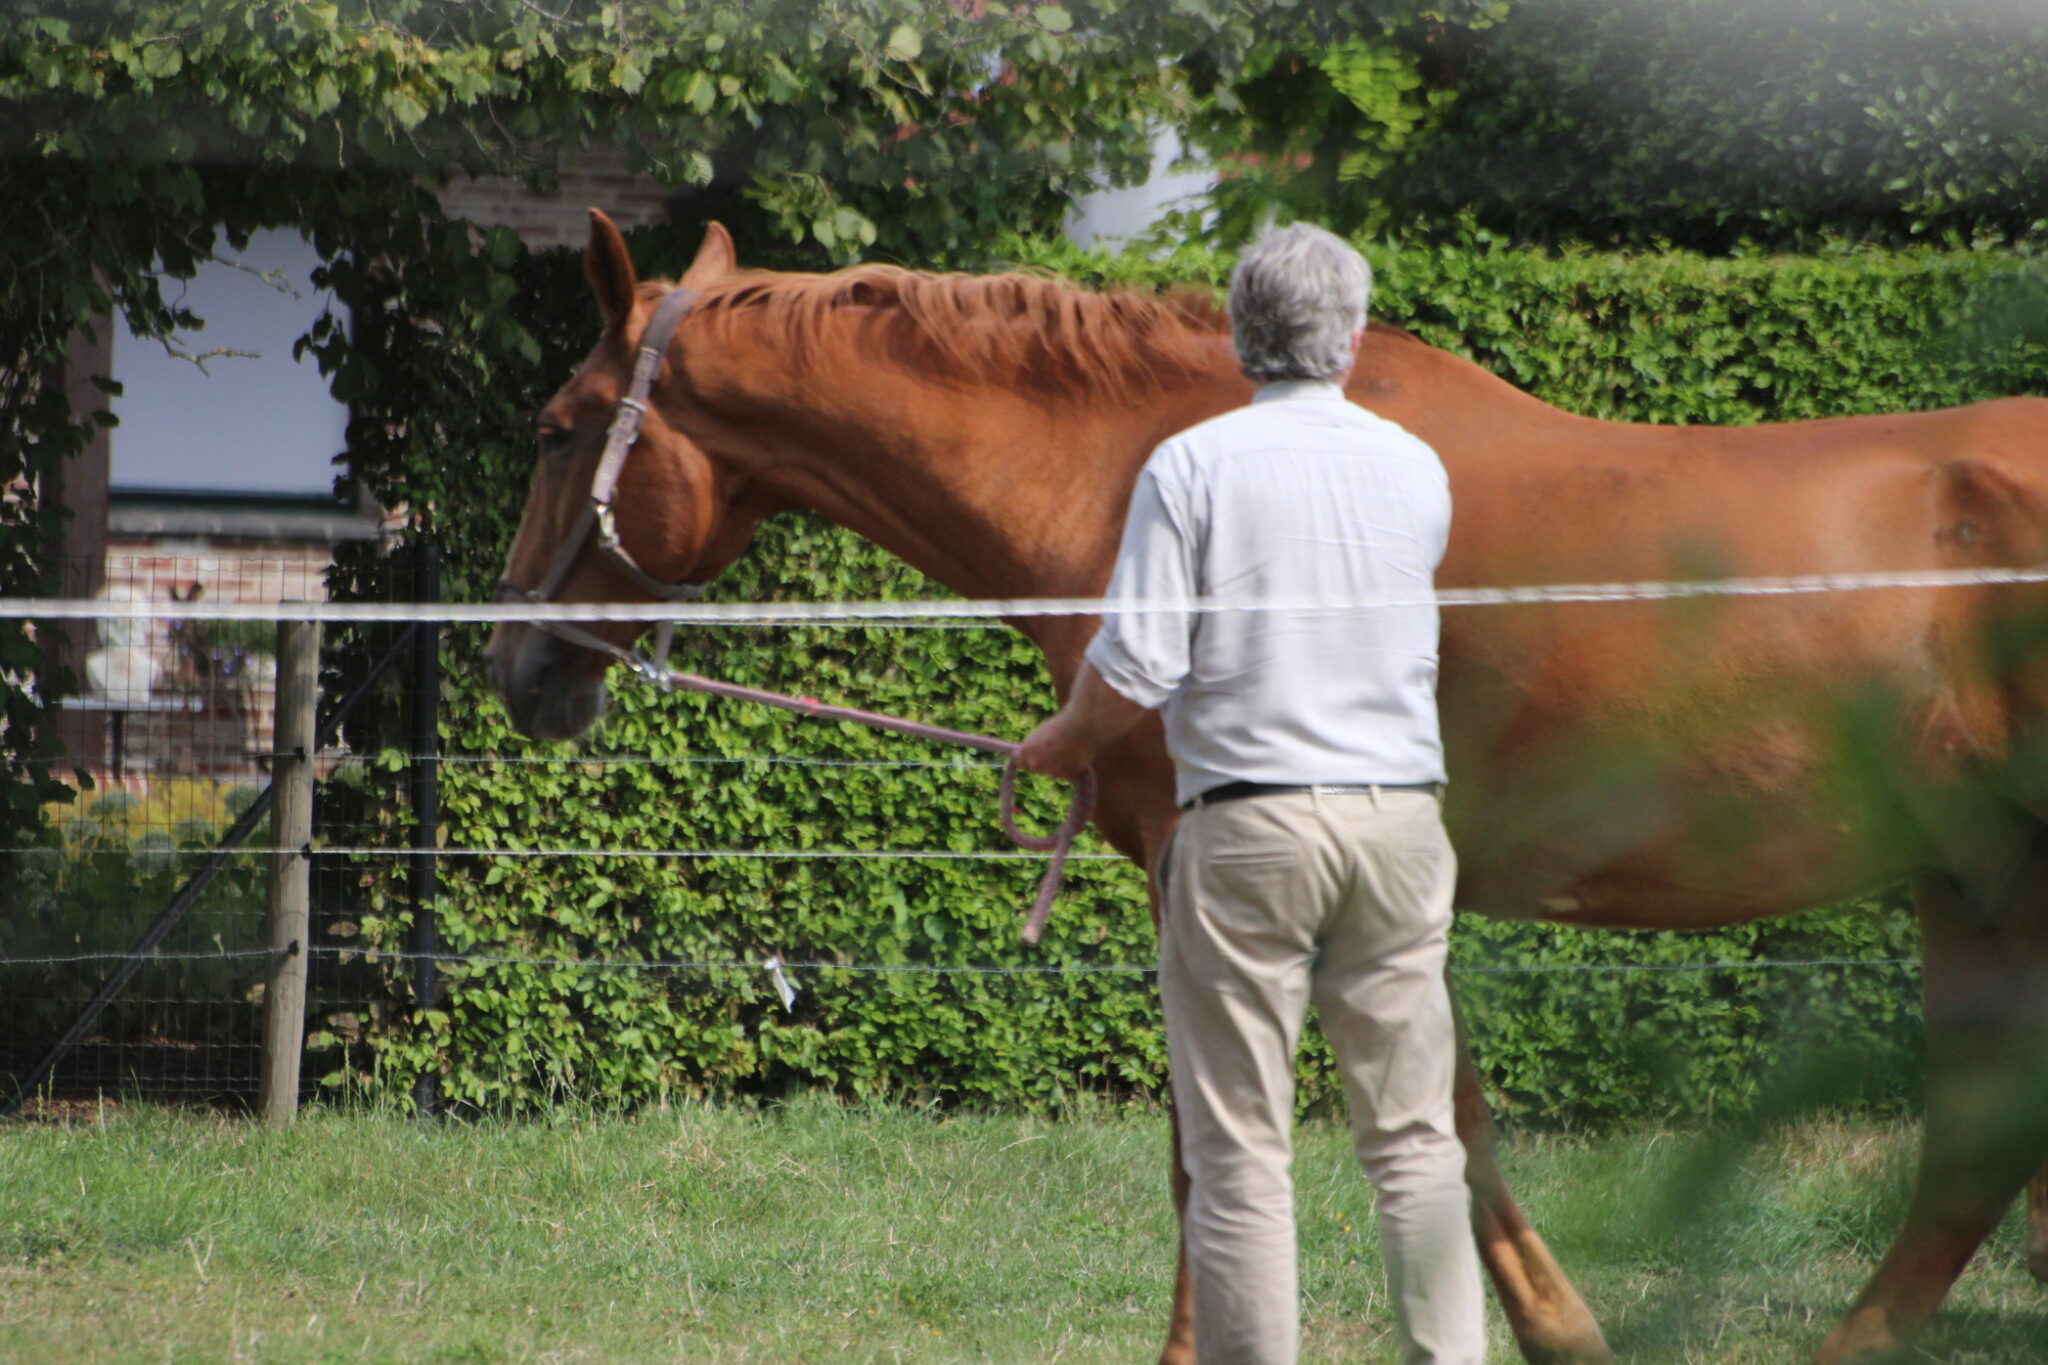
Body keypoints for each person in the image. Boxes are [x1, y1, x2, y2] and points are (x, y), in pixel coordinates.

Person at [1016, 222, 1486, 1364]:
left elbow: (1132, 668)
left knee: (1238, 1157)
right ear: (1353, 334)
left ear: (1236, 335)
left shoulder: (1191, 464)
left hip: (1248, 828)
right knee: (1417, 1145)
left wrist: (1057, 741)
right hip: (1397, 822)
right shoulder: (1413, 467)